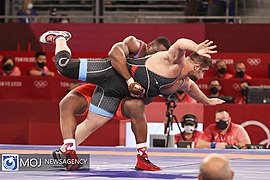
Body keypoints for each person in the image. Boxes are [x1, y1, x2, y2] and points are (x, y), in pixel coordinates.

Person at [40, 30, 224, 170]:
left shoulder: (182, 81)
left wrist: (208, 101)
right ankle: (60, 38)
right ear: (198, 65)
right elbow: (180, 43)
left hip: (114, 94)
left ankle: (69, 151)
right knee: (63, 67)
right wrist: (196, 47)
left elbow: (194, 91)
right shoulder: (175, 61)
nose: (203, 75)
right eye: (204, 71)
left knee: (91, 124)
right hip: (111, 74)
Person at [54, 35, 171, 171]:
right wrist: (130, 81)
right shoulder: (135, 45)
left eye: (162, 56)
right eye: (157, 53)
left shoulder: (158, 71)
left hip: (119, 98)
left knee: (133, 107)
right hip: (105, 81)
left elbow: (146, 100)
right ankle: (65, 152)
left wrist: (143, 92)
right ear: (150, 46)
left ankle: (142, 157)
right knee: (67, 101)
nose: (158, 58)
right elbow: (114, 53)